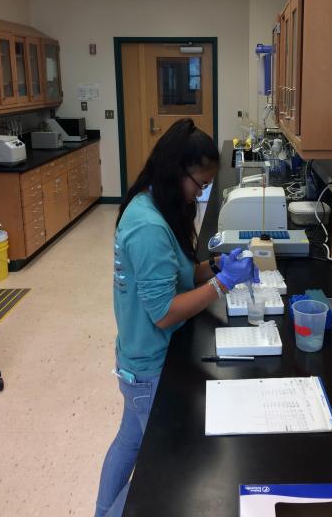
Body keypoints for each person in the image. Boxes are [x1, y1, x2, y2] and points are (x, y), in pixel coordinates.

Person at [95, 118, 257, 517]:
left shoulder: (155, 205)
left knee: (130, 444)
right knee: (155, 472)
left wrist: (216, 266)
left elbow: (177, 275)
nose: (199, 194)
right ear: (175, 171)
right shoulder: (148, 226)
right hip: (150, 367)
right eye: (199, 185)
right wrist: (222, 286)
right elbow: (165, 313)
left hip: (137, 359)